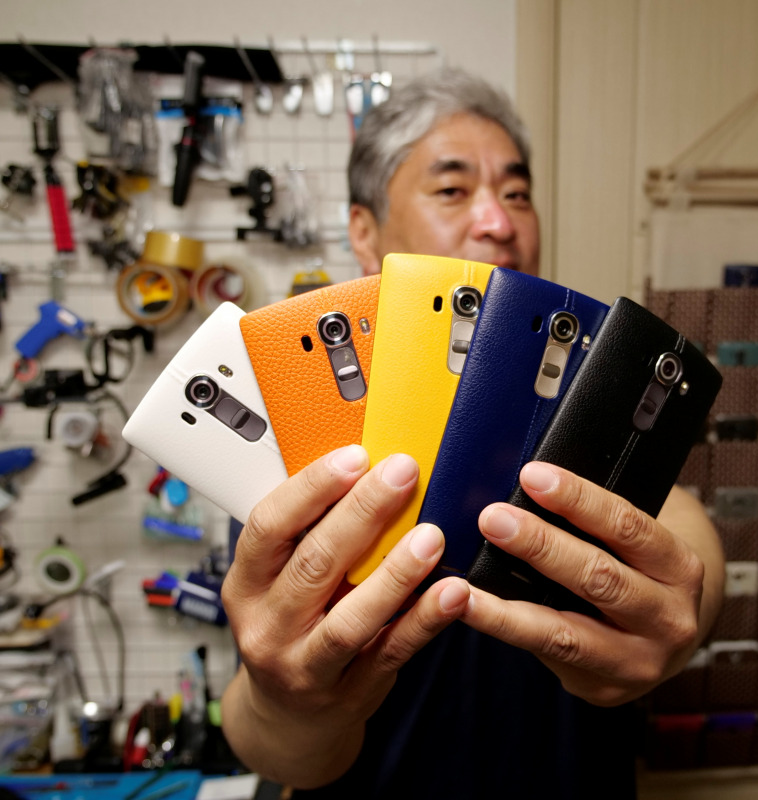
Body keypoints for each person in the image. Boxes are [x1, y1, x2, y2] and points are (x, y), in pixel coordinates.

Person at [220, 67, 724, 798]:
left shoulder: (586, 392)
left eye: (517, 193)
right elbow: (273, 740)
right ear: (364, 233)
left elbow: (682, 528)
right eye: (452, 190)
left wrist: (685, 609)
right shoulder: (298, 432)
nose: (499, 221)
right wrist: (284, 703)